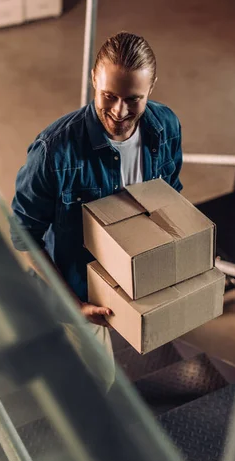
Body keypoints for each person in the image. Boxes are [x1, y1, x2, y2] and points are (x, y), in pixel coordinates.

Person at [11, 32, 183, 384]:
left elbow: (172, 196)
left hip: (136, 277)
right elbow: (22, 234)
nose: (119, 112)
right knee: (98, 381)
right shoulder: (54, 151)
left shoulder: (166, 127)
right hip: (76, 288)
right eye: (109, 96)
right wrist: (73, 304)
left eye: (133, 99)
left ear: (152, 87)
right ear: (93, 79)